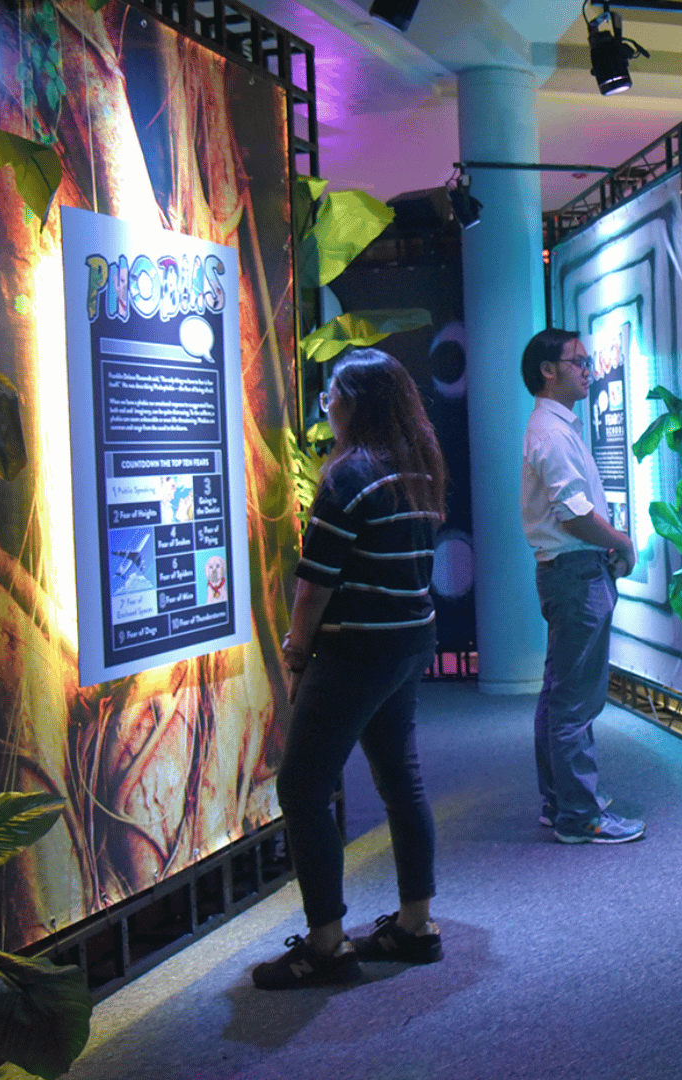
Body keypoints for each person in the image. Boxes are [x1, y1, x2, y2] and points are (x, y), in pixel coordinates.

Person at [254, 348, 447, 990]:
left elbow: (315, 584)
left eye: (332, 394)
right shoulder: (418, 467)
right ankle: (416, 926)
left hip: (355, 651)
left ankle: (326, 944)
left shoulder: (348, 475)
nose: (324, 406)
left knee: (303, 789)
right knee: (401, 778)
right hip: (407, 644)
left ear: (356, 402)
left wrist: (294, 652)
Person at [521, 328, 645, 844]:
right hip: (575, 574)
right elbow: (574, 515)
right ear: (549, 370)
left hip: (568, 573)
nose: (589, 370)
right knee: (574, 701)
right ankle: (580, 816)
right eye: (578, 362)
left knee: (559, 695)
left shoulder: (555, 428)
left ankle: (561, 802)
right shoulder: (551, 433)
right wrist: (622, 541)